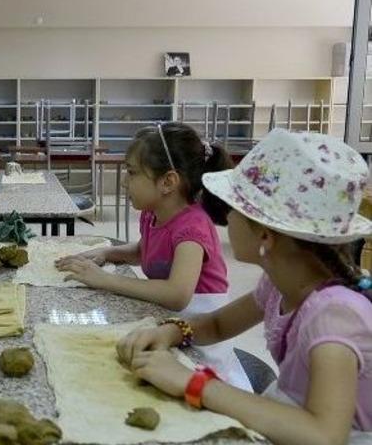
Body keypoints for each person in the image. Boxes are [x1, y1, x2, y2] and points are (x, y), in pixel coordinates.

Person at [117, 129, 372, 444]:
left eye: (234, 208)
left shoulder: (333, 316)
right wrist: (171, 330)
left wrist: (194, 383)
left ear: (265, 235)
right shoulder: (280, 284)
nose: (224, 217)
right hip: (284, 416)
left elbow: (323, 434)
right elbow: (218, 323)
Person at [56, 123, 249, 388]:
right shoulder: (153, 213)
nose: (124, 181)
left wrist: (104, 280)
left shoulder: (193, 227)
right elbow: (143, 250)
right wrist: (107, 252)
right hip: (169, 323)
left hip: (201, 343)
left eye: (132, 172)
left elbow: (177, 294)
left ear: (168, 182)